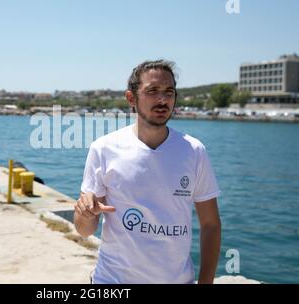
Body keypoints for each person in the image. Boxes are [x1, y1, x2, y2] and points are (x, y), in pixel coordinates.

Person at [74, 60, 221, 284]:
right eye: (152, 91)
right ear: (131, 99)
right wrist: (85, 213)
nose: (162, 99)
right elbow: (85, 230)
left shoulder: (194, 151)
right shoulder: (104, 149)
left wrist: (206, 282)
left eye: (169, 92)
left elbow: (210, 225)